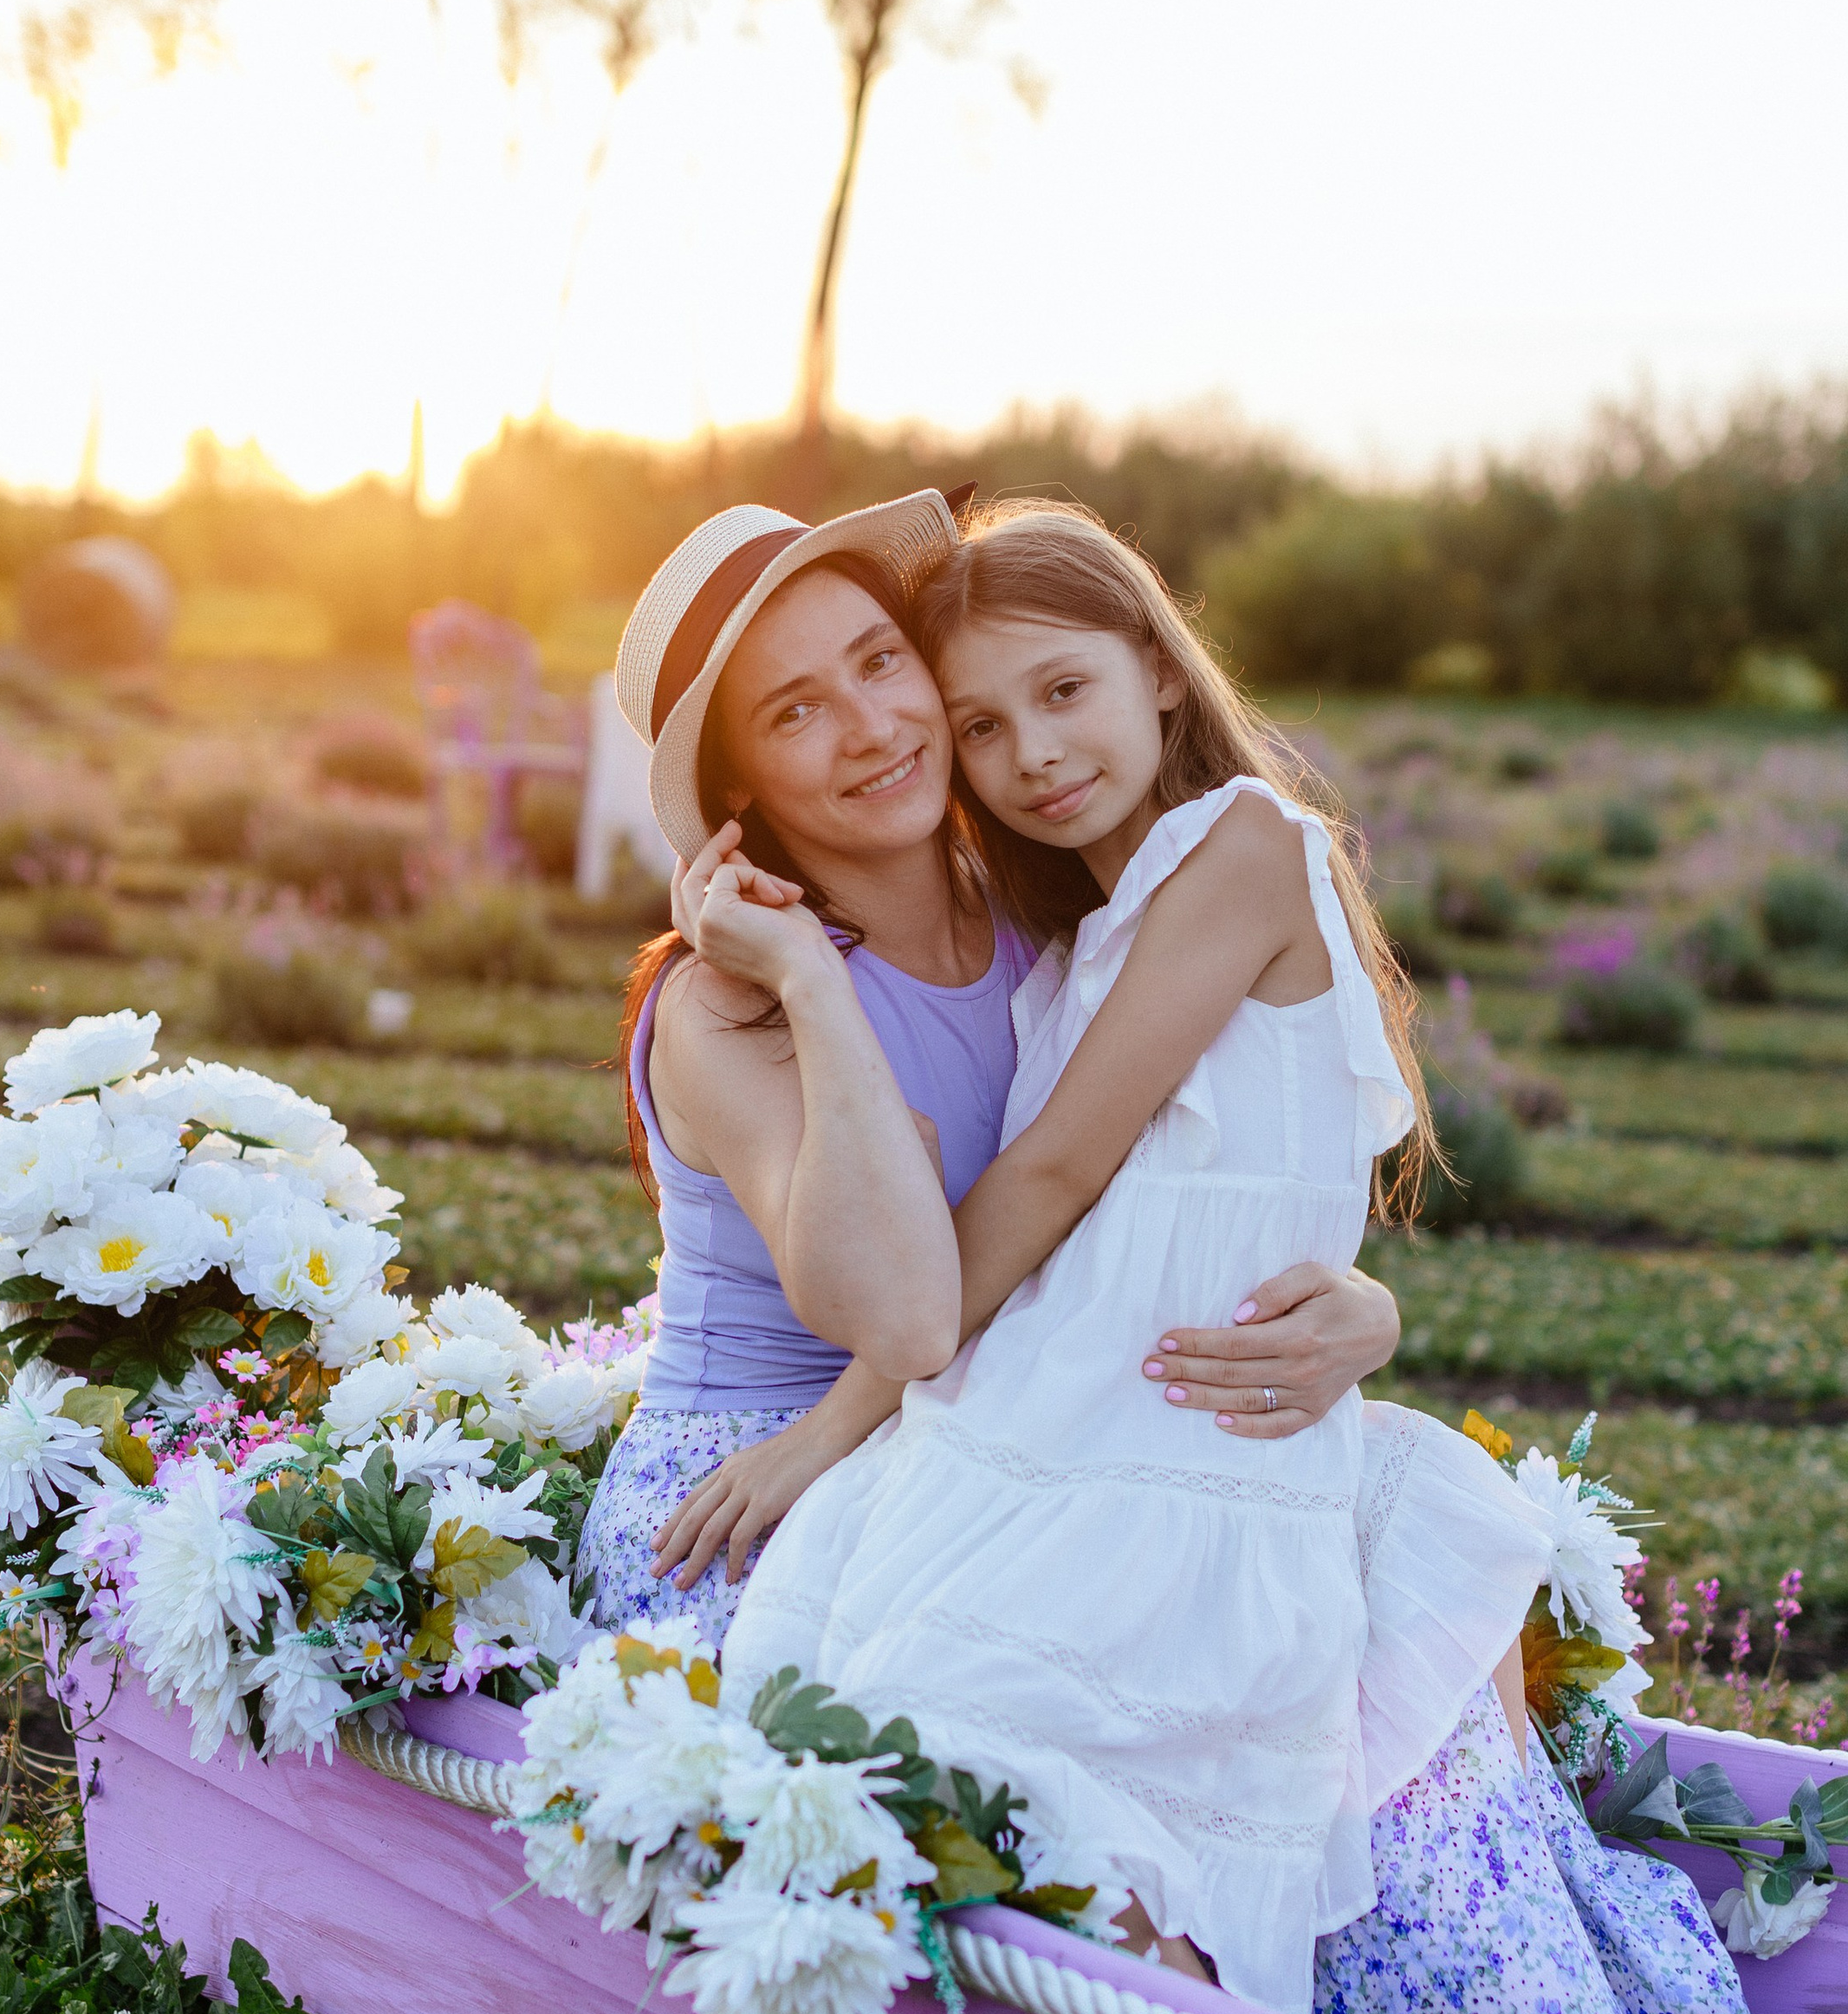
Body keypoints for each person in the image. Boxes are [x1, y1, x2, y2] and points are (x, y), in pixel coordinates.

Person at [720, 501, 1754, 2014]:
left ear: (1154, 664)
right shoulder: (1084, 937)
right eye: (982, 726)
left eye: (1063, 691)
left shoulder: (1244, 845)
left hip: (1163, 1431)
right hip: (1074, 1406)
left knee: (1023, 1746)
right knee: (931, 1730)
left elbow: (1058, 1171)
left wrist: (833, 1422)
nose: (1031, 755)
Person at [578, 490, 1403, 1655]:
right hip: (757, 1490)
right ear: (739, 786)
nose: (870, 727)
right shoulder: (727, 1008)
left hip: (991, 1434)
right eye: (797, 710)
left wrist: (1357, 1306)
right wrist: (815, 983)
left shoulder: (1049, 925)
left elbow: (1162, 1178)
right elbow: (914, 1319)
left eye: (880, 663)